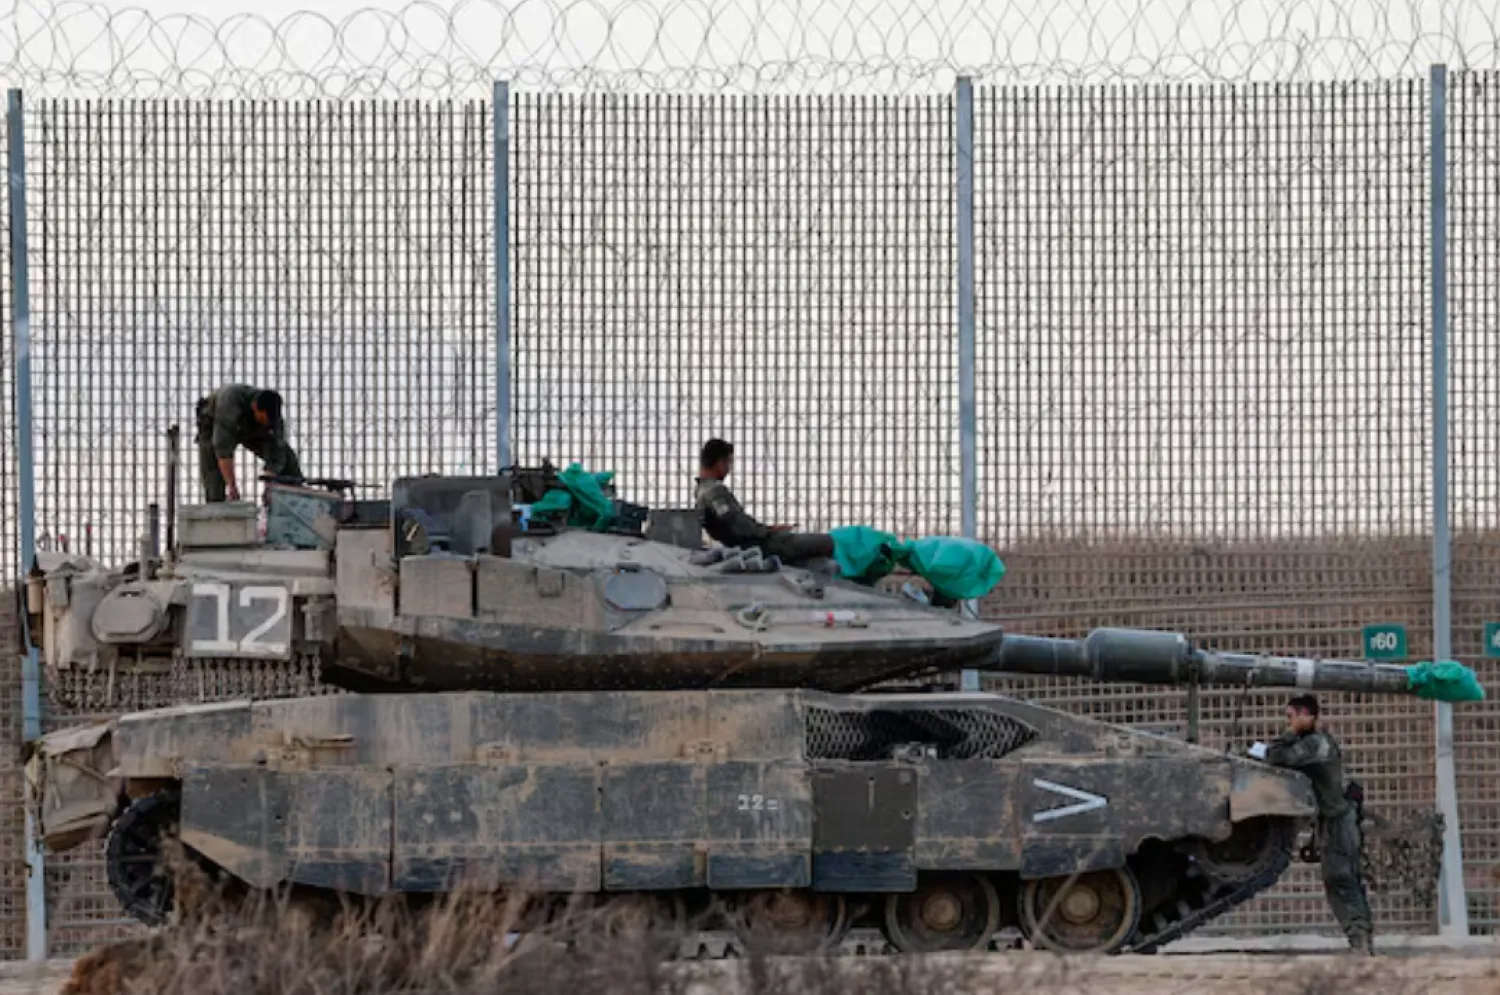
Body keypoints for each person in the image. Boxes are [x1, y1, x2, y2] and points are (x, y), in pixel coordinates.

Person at [1250, 694, 1373, 955]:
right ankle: (1360, 938)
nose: (1289, 722)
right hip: (1332, 821)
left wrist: (1288, 734)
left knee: (1341, 879)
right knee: (1340, 879)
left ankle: (1360, 939)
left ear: (1307, 715)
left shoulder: (1316, 745)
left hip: (1340, 822)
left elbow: (1276, 756)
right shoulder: (1313, 743)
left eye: (1292, 716)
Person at [694, 439, 835, 566]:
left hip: (749, 545)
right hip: (759, 545)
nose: (729, 469)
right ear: (720, 463)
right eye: (728, 462)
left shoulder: (701, 491)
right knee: (827, 541)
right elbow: (738, 526)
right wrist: (770, 530)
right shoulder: (715, 491)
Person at [195, 385, 302, 502]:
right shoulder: (230, 400)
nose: (266, 423)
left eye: (269, 422)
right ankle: (216, 503)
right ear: (254, 406)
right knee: (213, 474)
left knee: (287, 459)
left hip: (249, 427)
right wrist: (232, 486)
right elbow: (222, 448)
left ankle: (297, 500)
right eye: (263, 419)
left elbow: (278, 451)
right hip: (213, 423)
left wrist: (269, 483)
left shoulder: (273, 416)